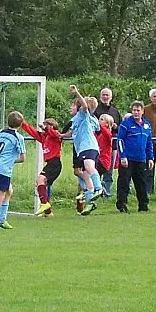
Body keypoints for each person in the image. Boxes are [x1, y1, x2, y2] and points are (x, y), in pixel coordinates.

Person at [63, 85, 104, 216]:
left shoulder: (84, 114)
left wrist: (77, 93)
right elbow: (69, 133)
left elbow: (86, 107)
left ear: (79, 107)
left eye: (73, 105)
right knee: (85, 175)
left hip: (89, 147)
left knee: (89, 166)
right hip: (82, 150)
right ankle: (90, 202)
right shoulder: (77, 119)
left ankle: (99, 188)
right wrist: (57, 135)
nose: (71, 108)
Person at [0, 111, 26, 230]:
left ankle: (2, 220)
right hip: (3, 169)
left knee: (9, 191)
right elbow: (23, 158)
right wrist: (11, 160)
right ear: (20, 125)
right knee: (0, 195)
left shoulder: (0, 133)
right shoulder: (18, 138)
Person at [116, 100, 154, 213]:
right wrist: (123, 156)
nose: (136, 112)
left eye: (138, 110)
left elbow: (149, 142)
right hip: (128, 159)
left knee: (141, 183)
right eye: (134, 110)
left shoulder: (147, 125)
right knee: (124, 183)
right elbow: (120, 140)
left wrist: (150, 157)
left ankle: (143, 206)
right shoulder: (126, 124)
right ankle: (122, 204)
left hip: (141, 159)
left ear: (142, 111)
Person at [20, 117, 62, 217]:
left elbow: (55, 134)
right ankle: (48, 212)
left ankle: (44, 204)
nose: (43, 127)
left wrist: (47, 129)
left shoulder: (56, 136)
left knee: (40, 180)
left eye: (46, 125)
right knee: (40, 184)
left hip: (55, 163)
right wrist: (22, 123)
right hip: (50, 164)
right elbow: (32, 132)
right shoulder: (44, 136)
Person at [93, 88, 122, 197]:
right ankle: (97, 190)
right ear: (100, 96)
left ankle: (107, 192)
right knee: (96, 168)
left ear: (111, 97)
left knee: (108, 170)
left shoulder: (115, 111)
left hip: (112, 145)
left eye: (107, 95)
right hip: (97, 145)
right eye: (103, 95)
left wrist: (115, 127)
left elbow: (121, 128)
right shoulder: (95, 111)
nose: (105, 97)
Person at [95, 114, 114, 181]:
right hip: (98, 159)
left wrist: (98, 124)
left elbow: (107, 133)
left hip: (103, 161)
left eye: (102, 119)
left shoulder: (108, 134)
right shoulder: (99, 134)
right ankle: (99, 188)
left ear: (107, 124)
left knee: (92, 172)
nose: (99, 121)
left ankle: (99, 188)